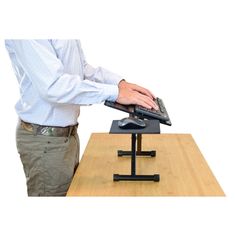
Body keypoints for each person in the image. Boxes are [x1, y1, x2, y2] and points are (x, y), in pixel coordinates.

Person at [5, 40, 158, 196]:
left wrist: (119, 84)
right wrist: (115, 93)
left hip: (65, 138)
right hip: (45, 142)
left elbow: (80, 70)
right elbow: (54, 86)